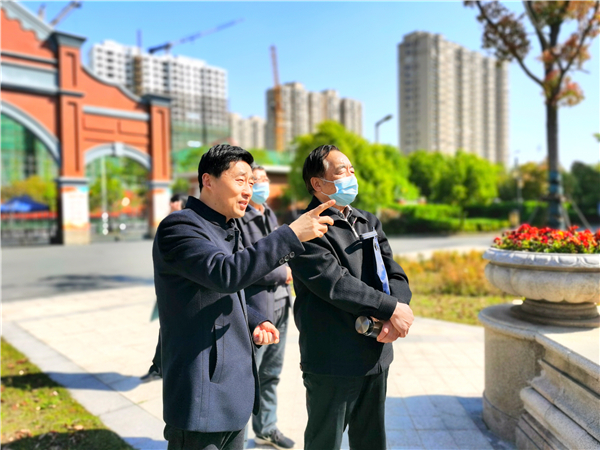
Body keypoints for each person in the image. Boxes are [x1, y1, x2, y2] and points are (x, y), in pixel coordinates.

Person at [153, 144, 334, 450]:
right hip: (202, 393)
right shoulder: (180, 226)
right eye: (240, 180)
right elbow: (225, 274)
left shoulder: (227, 227)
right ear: (208, 180)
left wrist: (255, 319)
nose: (249, 190)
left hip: (233, 394)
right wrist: (289, 235)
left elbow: (230, 289)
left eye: (252, 182)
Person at [287, 144, 414, 450]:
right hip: (333, 359)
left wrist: (397, 309)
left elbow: (394, 273)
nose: (351, 176)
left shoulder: (367, 221)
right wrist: (390, 309)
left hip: (376, 352)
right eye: (342, 170)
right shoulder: (306, 230)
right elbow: (336, 284)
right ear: (318, 184)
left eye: (351, 169)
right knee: (324, 442)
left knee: (371, 441)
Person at [234, 165, 294, 450]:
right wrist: (284, 271)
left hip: (282, 303)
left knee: (271, 373)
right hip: (258, 308)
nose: (263, 184)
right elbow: (247, 264)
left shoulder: (268, 213)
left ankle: (266, 428)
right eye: (256, 180)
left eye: (266, 179)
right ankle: (237, 437)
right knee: (249, 377)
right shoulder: (240, 218)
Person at [140, 193, 189, 383]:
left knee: (170, 331)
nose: (171, 204)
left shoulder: (186, 223)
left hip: (183, 289)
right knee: (167, 329)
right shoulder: (171, 222)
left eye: (174, 201)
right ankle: (159, 367)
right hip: (171, 287)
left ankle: (161, 368)